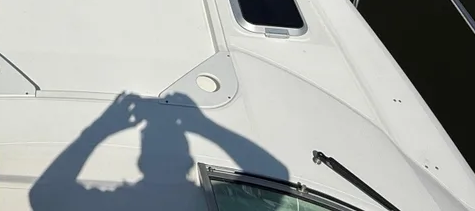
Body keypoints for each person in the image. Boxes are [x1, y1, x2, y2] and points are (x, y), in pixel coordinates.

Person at [29, 92, 288, 211]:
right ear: (188, 160)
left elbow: (43, 197)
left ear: (141, 162)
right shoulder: (204, 204)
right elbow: (276, 178)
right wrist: (204, 125)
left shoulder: (121, 204)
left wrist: (98, 131)